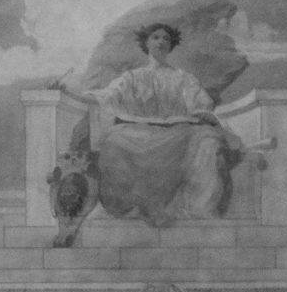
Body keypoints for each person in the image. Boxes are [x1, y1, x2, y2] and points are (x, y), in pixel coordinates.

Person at [83, 22, 238, 227]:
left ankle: (197, 208)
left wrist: (201, 112)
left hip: (180, 131)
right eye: (155, 37)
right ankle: (128, 207)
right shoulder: (132, 77)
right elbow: (110, 95)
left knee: (208, 140)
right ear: (146, 43)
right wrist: (79, 94)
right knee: (114, 141)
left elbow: (202, 103)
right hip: (139, 130)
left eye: (166, 38)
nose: (161, 42)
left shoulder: (183, 78)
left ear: (172, 44)